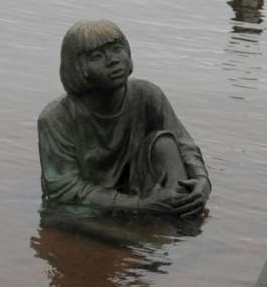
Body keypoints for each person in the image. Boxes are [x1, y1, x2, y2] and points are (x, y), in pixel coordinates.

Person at [38, 19, 210, 218]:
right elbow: (63, 189)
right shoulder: (55, 118)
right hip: (90, 207)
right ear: (79, 68)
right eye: (97, 57)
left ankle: (182, 208)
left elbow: (184, 144)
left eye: (118, 49)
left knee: (164, 143)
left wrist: (202, 181)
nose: (112, 60)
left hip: (138, 189)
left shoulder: (148, 95)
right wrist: (139, 205)